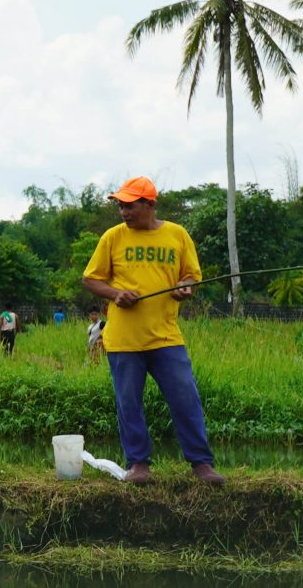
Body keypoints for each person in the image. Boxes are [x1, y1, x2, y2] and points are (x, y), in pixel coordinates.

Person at [81, 176, 223, 485]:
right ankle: (138, 465)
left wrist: (184, 288)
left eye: (130, 206)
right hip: (123, 341)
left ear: (150, 204)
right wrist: (116, 293)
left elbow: (191, 275)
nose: (124, 213)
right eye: (120, 206)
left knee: (185, 397)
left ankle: (201, 464)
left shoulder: (177, 235)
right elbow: (91, 279)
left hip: (165, 337)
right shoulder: (112, 238)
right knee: (129, 402)